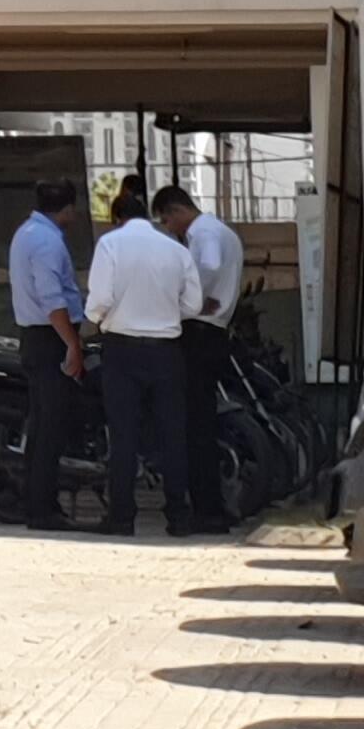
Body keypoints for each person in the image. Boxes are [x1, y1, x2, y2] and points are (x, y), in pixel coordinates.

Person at [84, 186, 211, 534]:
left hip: (122, 350)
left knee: (123, 435)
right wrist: (165, 313)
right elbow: (193, 305)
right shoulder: (176, 249)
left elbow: (99, 299)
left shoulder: (110, 245)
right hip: (167, 351)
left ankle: (122, 517)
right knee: (173, 434)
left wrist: (99, 319)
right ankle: (178, 516)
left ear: (117, 219)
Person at [159, 183, 245, 526]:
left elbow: (208, 266)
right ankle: (212, 506)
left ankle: (206, 509)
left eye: (168, 221)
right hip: (214, 330)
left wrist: (192, 300)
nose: (170, 230)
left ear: (177, 210)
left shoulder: (203, 233)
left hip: (199, 333)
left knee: (195, 425)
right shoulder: (221, 231)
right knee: (202, 422)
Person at [6, 178, 90, 530]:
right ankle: (43, 509)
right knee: (50, 427)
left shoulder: (28, 233)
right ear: (67, 209)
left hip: (38, 336)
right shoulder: (46, 241)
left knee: (42, 425)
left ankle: (37, 503)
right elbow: (51, 299)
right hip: (50, 338)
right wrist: (72, 343)